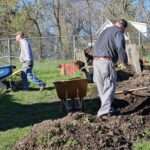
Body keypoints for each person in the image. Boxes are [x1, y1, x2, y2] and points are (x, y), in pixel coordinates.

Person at [93, 19, 128, 117]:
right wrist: (123, 61)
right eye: (124, 30)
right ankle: (103, 111)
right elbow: (120, 47)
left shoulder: (105, 31)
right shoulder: (118, 32)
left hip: (96, 61)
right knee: (110, 85)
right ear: (123, 27)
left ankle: (108, 108)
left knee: (101, 87)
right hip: (106, 61)